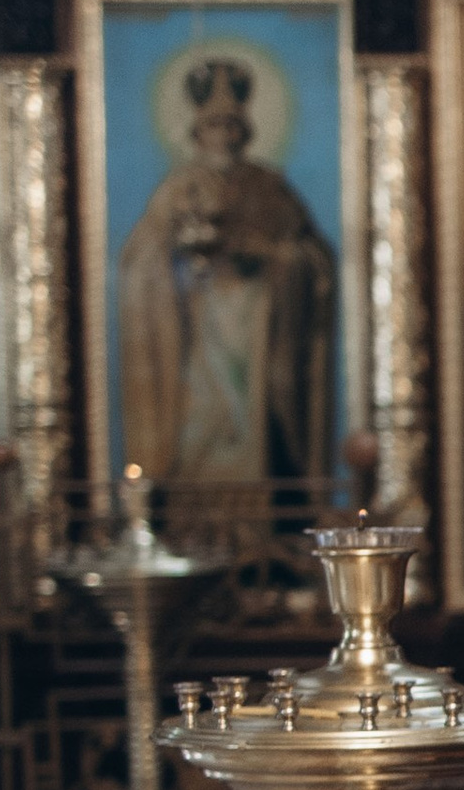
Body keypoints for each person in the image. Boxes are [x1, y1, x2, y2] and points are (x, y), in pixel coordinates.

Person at [115, 56, 333, 494]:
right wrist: (177, 257)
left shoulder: (271, 189)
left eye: (232, 125)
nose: (224, 135)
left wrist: (272, 260)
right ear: (197, 130)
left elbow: (314, 261)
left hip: (261, 339)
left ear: (245, 129)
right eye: (214, 125)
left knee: (258, 422)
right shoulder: (176, 190)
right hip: (196, 339)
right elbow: (138, 265)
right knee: (204, 421)